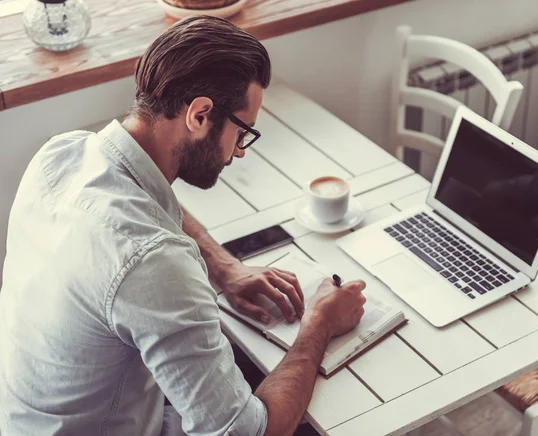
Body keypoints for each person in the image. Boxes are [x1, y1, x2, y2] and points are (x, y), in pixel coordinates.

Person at [0, 15, 367, 436]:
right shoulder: (153, 263)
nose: (239, 153)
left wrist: (225, 268)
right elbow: (246, 433)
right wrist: (318, 325)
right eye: (242, 132)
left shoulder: (62, 154)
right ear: (200, 114)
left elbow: (146, 198)